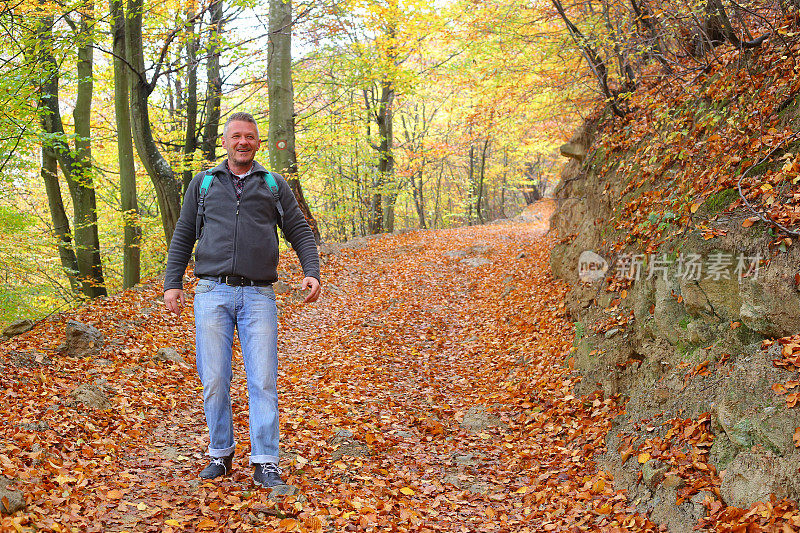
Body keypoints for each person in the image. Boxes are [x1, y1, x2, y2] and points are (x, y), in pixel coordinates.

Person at [163, 112, 320, 488]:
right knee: (215, 378)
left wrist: (311, 270)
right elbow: (184, 232)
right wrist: (172, 283)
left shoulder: (273, 184)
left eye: (249, 137)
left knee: (263, 379)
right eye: (236, 136)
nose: (242, 142)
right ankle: (220, 453)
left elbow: (298, 228)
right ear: (225, 142)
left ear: (257, 142)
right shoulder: (202, 184)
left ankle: (266, 461)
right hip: (211, 293)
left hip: (258, 295)